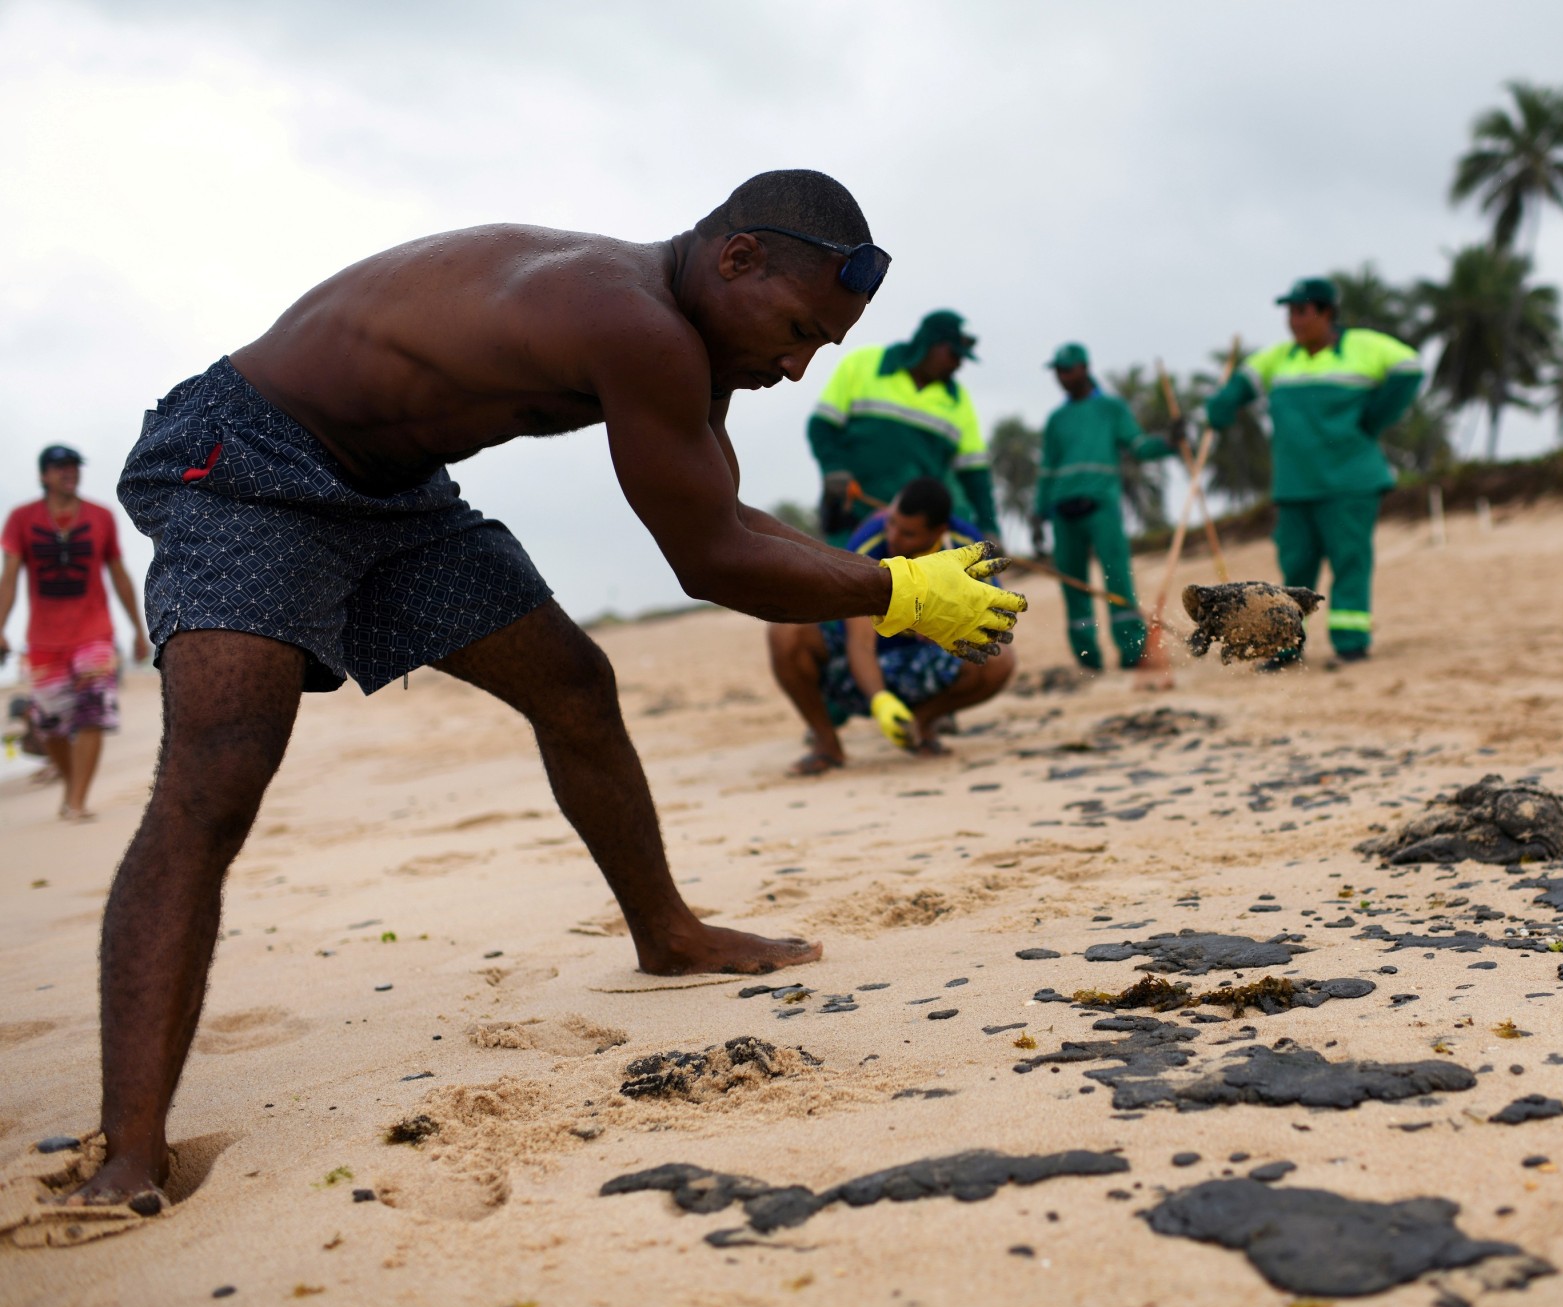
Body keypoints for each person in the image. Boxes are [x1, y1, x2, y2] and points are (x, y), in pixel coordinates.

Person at [76, 169, 1027, 1207]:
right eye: (796, 328)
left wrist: (895, 587)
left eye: (819, 348)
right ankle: (129, 1150)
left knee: (574, 682)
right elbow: (709, 562)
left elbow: (732, 519)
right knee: (216, 779)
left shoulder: (694, 346)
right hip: (247, 457)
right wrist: (895, 589)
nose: (796, 366)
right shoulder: (637, 322)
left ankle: (665, 933)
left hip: (393, 496)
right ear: (736, 258)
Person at [1204, 277, 1422, 667]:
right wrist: (1222, 404)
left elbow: (1410, 367)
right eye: (1289, 312)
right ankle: (1286, 645)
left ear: (1326, 313)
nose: (1294, 320)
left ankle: (1351, 642)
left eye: (1302, 310)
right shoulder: (1279, 359)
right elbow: (1241, 385)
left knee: (1349, 561)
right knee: (1296, 568)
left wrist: (1374, 419)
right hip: (1294, 485)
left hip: (1351, 482)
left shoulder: (1362, 346)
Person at [768, 478, 1013, 774]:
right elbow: (859, 641)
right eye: (892, 523)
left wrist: (946, 626)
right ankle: (826, 744)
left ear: (938, 531)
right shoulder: (869, 542)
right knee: (784, 633)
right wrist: (880, 701)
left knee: (999, 660)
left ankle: (921, 724)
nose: (894, 536)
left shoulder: (969, 549)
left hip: (923, 665)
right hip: (858, 664)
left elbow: (995, 624)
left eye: (908, 533)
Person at [0, 444, 150, 820]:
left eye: (74, 467)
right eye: (61, 467)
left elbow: (118, 574)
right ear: (44, 475)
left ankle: (77, 801)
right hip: (44, 640)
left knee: (92, 715)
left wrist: (137, 628)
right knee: (49, 726)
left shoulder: (100, 517)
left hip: (94, 635)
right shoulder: (21, 519)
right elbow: (9, 579)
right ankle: (71, 785)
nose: (70, 472)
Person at [1032, 343, 1177, 670]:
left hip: (1101, 508)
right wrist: (1037, 514)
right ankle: (1087, 658)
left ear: (1084, 368)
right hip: (1062, 511)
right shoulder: (1056, 419)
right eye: (1057, 371)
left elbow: (1138, 447)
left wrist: (1168, 443)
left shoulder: (1112, 409)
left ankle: (1131, 651)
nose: (1061, 377)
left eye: (1066, 369)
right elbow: (1047, 470)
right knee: (1072, 586)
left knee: (1117, 580)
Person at [807, 309, 996, 544]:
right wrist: (832, 467)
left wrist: (989, 527)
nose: (958, 364)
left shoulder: (958, 401)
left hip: (914, 532)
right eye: (954, 354)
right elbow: (822, 426)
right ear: (931, 343)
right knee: (843, 576)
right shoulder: (863, 365)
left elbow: (974, 473)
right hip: (852, 514)